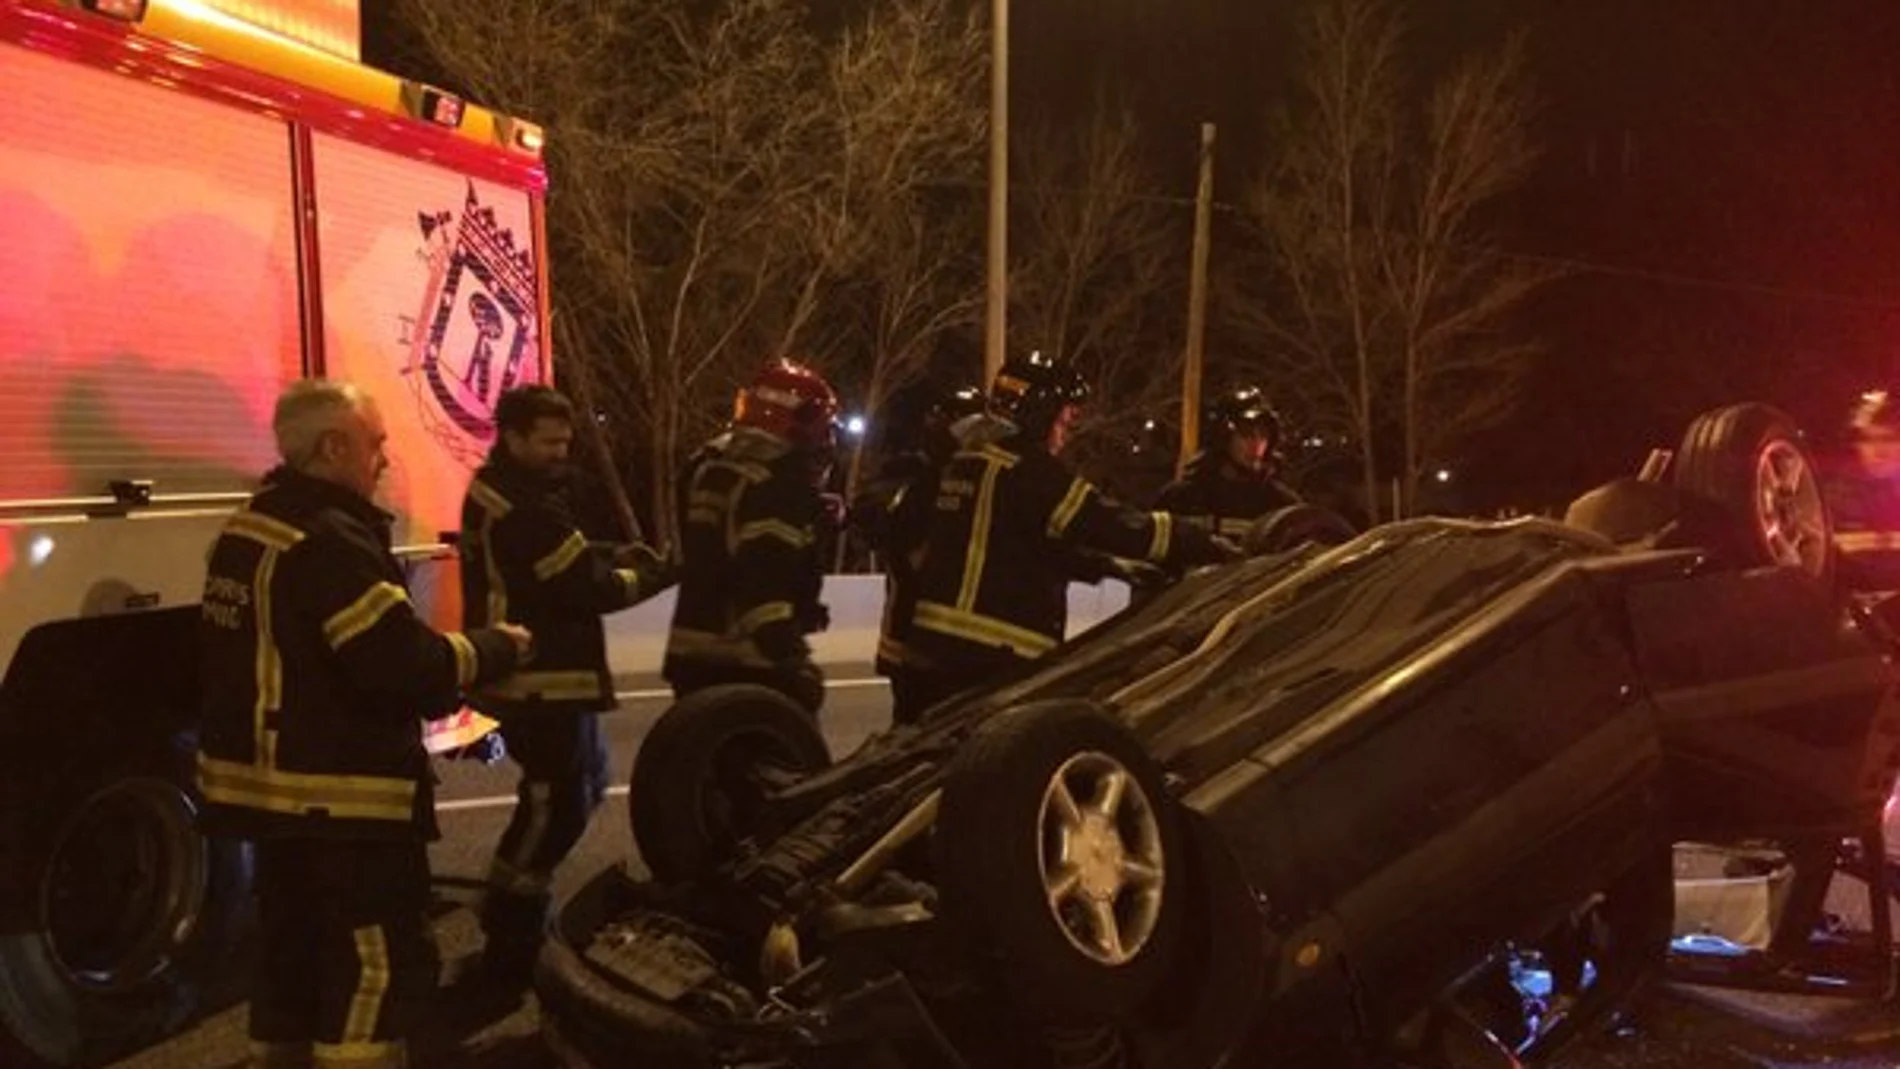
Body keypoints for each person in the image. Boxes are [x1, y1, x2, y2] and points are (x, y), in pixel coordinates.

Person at [197, 380, 532, 1069]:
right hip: (345, 801)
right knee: (375, 967)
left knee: (291, 955)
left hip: (269, 800)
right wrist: (496, 646)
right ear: (332, 446)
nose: (383, 458)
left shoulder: (249, 527)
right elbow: (399, 664)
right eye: (375, 442)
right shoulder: (333, 540)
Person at [457, 384, 676, 991]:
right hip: (538, 682)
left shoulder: (506, 490)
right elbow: (587, 587)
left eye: (566, 440)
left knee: (577, 785)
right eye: (549, 441)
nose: (561, 451)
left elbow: (567, 558)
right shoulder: (526, 507)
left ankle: (513, 912)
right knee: (557, 806)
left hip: (538, 679)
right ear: (515, 436)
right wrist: (656, 574)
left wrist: (609, 553)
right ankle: (513, 929)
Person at [906, 351, 1238, 713]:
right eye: (1065, 419)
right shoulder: (1029, 472)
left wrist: (1106, 566)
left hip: (936, 647)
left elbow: (1020, 545)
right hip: (995, 652)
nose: (1065, 433)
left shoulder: (966, 461)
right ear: (1040, 412)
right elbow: (1109, 523)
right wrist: (1188, 538)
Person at [664, 357, 840, 714]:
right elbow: (763, 576)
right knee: (784, 758)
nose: (826, 438)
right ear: (796, 420)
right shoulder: (780, 478)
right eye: (823, 425)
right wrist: (792, 660)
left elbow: (713, 544)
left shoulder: (705, 463)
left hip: (689, 650)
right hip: (749, 659)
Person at [848, 381, 987, 723]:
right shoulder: (914, 477)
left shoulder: (974, 479)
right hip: (916, 638)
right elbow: (880, 522)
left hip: (947, 644)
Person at [1155, 385, 1303, 540]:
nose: (1257, 444)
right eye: (1246, 433)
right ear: (1222, 438)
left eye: (1263, 435)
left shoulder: (1281, 505)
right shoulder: (1181, 499)